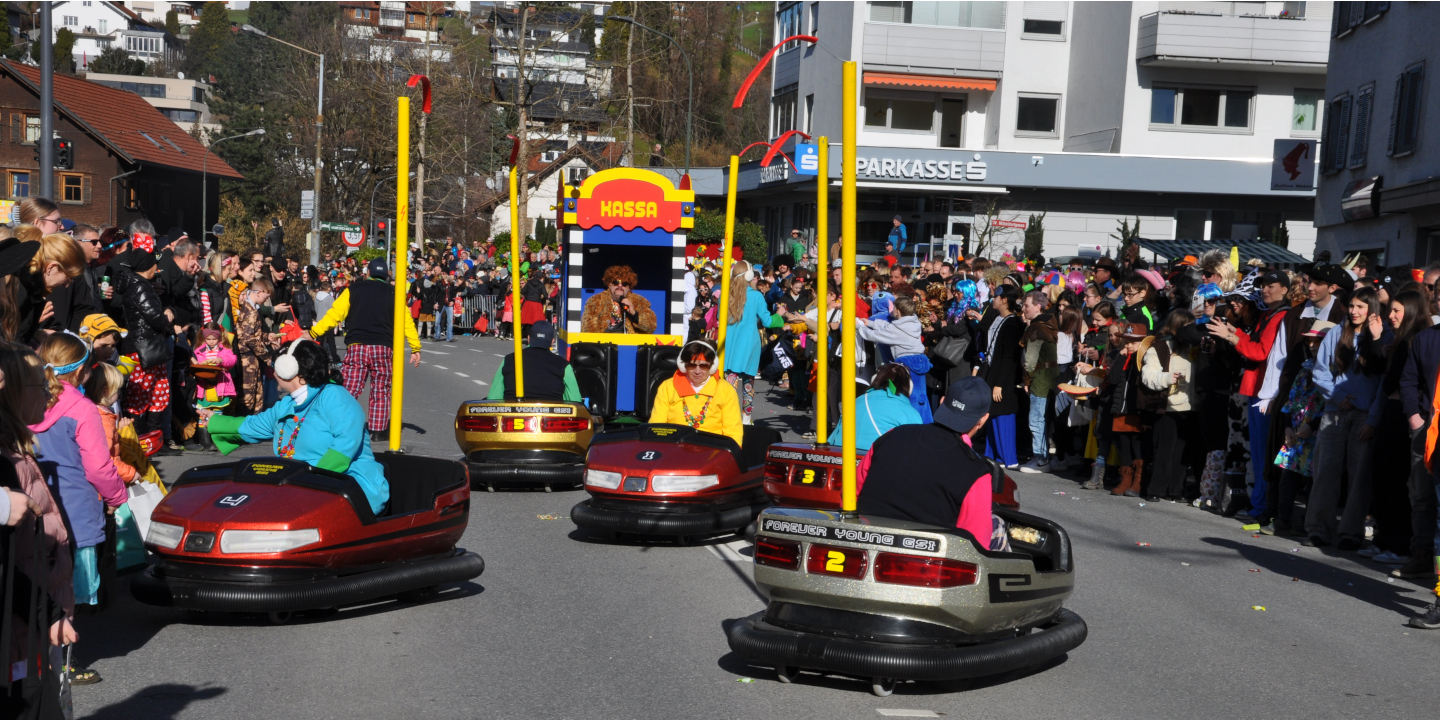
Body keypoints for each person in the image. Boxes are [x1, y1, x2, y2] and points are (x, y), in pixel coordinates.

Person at [205, 340, 390, 514]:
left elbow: (344, 447)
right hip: (301, 488)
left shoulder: (336, 398)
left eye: (274, 367)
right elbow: (253, 425)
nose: (273, 373)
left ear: (287, 369)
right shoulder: (286, 404)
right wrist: (214, 420)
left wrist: (309, 482)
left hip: (348, 488)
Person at [0, 340, 78, 716]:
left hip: (30, 623)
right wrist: (48, 616)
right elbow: (10, 561)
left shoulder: (20, 453)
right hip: (21, 629)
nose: (50, 393)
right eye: (38, 384)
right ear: (12, 392)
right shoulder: (9, 465)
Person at [855, 377, 994, 545]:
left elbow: (851, 493)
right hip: (927, 562)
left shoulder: (892, 435)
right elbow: (976, 542)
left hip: (865, 541)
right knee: (998, 528)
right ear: (983, 419)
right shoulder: (975, 471)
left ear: (942, 401)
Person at [1304, 286, 1391, 549]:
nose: (1354, 311)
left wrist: (1373, 419)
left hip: (1365, 414)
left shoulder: (1384, 336)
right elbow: (1320, 371)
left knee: (1359, 477)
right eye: (1351, 306)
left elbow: (1385, 383)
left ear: (1372, 309)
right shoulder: (1336, 332)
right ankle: (1318, 528)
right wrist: (1334, 395)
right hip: (1335, 411)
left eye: (1360, 307)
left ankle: (1350, 533)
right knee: (1325, 471)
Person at [309, 259, 422, 441]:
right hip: (383, 347)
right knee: (380, 389)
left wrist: (315, 332)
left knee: (349, 388)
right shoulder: (395, 293)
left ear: (367, 273)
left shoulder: (353, 290)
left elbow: (334, 314)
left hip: (357, 346)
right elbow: (406, 321)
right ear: (386, 276)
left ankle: (338, 424)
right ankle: (377, 431)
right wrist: (415, 347)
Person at [646, 340, 744, 447]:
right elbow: (656, 426)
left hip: (713, 449)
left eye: (703, 366)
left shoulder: (726, 390)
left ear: (712, 367)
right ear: (683, 365)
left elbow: (733, 431)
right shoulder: (667, 386)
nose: (697, 371)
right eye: (692, 365)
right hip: (674, 448)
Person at [723, 260, 785, 425]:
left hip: (729, 343)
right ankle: (746, 419)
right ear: (750, 275)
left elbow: (718, 319)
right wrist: (779, 314)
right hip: (749, 343)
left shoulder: (725, 294)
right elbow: (767, 321)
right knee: (748, 382)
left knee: (729, 381)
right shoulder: (756, 296)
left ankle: (727, 417)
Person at [975, 284, 1023, 468]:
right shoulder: (996, 318)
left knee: (1003, 412)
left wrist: (1000, 384)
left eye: (995, 297)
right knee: (991, 412)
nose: (992, 299)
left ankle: (1007, 457)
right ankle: (992, 453)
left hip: (1003, 377)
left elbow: (1008, 357)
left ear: (1004, 300)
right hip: (990, 370)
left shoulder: (1012, 323)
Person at [487, 321, 581, 402]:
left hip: (514, 416)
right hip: (550, 418)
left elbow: (494, 396)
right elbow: (575, 400)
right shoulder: (563, 365)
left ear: (528, 338)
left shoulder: (509, 359)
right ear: (552, 341)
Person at [852, 363, 923, 452]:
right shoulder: (909, 412)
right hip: (877, 463)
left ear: (875, 379)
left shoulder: (856, 401)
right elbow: (916, 448)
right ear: (910, 386)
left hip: (843, 461)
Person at [580, 265, 657, 334]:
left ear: (629, 287)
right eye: (615, 282)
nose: (620, 286)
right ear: (609, 285)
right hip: (604, 346)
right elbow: (587, 329)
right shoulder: (595, 301)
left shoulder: (640, 301)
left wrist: (634, 313)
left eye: (624, 284)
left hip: (630, 345)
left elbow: (651, 327)